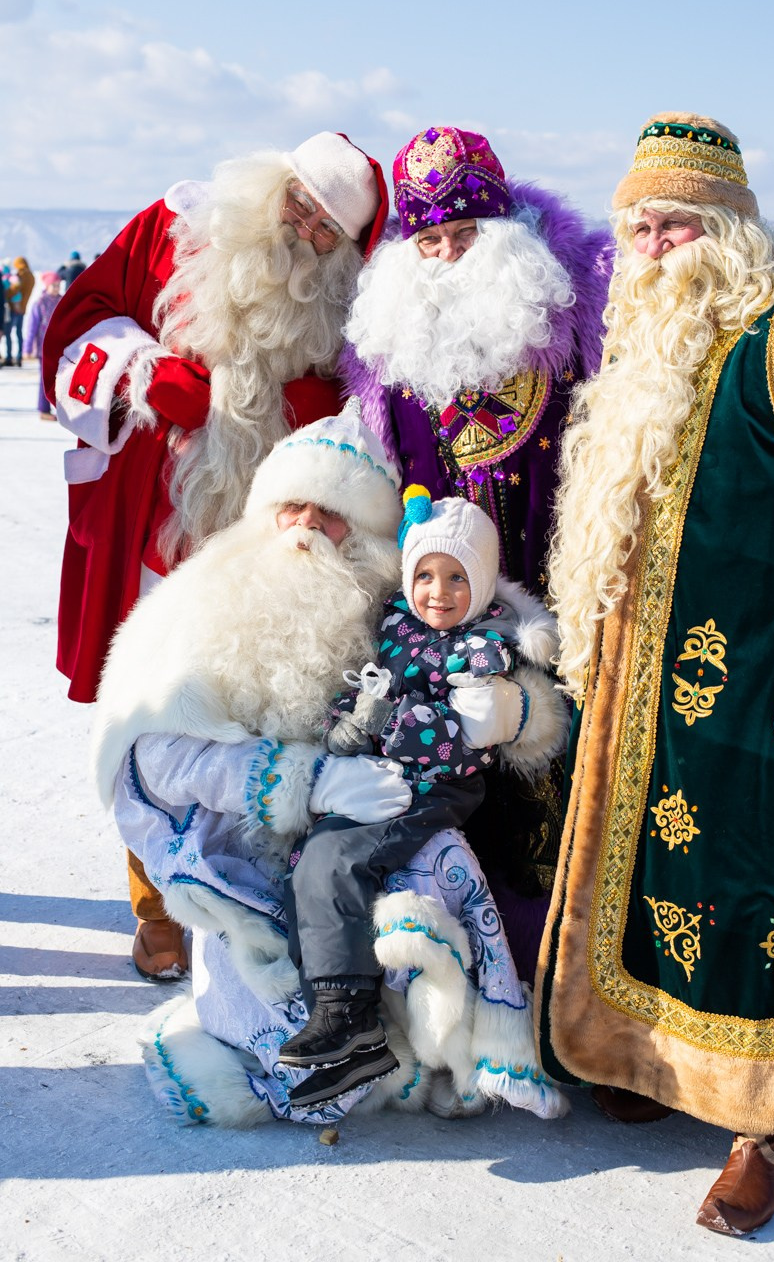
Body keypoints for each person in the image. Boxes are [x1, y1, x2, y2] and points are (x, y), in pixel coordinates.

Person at [538, 111, 774, 1237]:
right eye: (640, 224)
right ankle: (653, 1063)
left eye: (678, 219)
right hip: (644, 699)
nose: (657, 241)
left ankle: (765, 1128)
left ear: (731, 222)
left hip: (764, 691)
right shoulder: (643, 341)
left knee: (764, 907)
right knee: (657, 894)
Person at [91, 403, 569, 1127]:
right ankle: (342, 1029)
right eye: (293, 507)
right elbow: (156, 758)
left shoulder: (396, 598)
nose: (308, 526)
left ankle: (421, 1032)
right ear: (265, 512)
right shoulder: (202, 601)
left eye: (334, 513)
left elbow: (498, 640)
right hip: (244, 853)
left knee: (438, 864)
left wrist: (515, 712)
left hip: (380, 822)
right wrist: (299, 780)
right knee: (282, 1043)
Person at [42, 132, 388, 979]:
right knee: (147, 703)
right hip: (153, 515)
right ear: (273, 184)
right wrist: (140, 371)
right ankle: (153, 903)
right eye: (299, 203)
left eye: (324, 231)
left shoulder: (346, 309)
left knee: (244, 713)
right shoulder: (173, 226)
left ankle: (229, 895)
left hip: (265, 536)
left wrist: (310, 414)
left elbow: (364, 406)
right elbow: (79, 317)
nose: (302, 231)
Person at [341, 125, 613, 972]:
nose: (448, 257)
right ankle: (453, 972)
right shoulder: (389, 351)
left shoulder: (570, 318)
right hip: (437, 608)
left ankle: (560, 982)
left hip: (557, 591)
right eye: (429, 242)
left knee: (560, 790)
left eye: (464, 238)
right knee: (450, 787)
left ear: (503, 233)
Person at [279, 488, 569, 1110]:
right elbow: (363, 689)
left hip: (436, 788)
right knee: (306, 866)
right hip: (382, 772)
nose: (439, 592)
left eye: (457, 578)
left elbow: (460, 739)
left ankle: (349, 1017)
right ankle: (335, 1021)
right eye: (427, 575)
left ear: (484, 584)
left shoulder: (480, 646)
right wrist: (349, 722)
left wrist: (389, 719)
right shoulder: (393, 626)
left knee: (338, 859)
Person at [23, 271, 62, 420]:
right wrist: (27, 349)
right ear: (47, 285)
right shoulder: (39, 303)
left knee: (59, 379)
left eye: (58, 285)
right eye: (54, 285)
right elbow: (32, 327)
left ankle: (60, 408)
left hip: (59, 346)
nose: (57, 288)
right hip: (43, 348)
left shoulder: (61, 300)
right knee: (45, 379)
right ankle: (43, 409)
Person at [3, 256, 34, 365]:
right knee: (19, 333)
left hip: (15, 308)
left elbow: (15, 289)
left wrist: (5, 293)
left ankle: (9, 357)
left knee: (8, 333)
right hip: (23, 308)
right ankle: (19, 357)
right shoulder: (31, 276)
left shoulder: (22, 274)